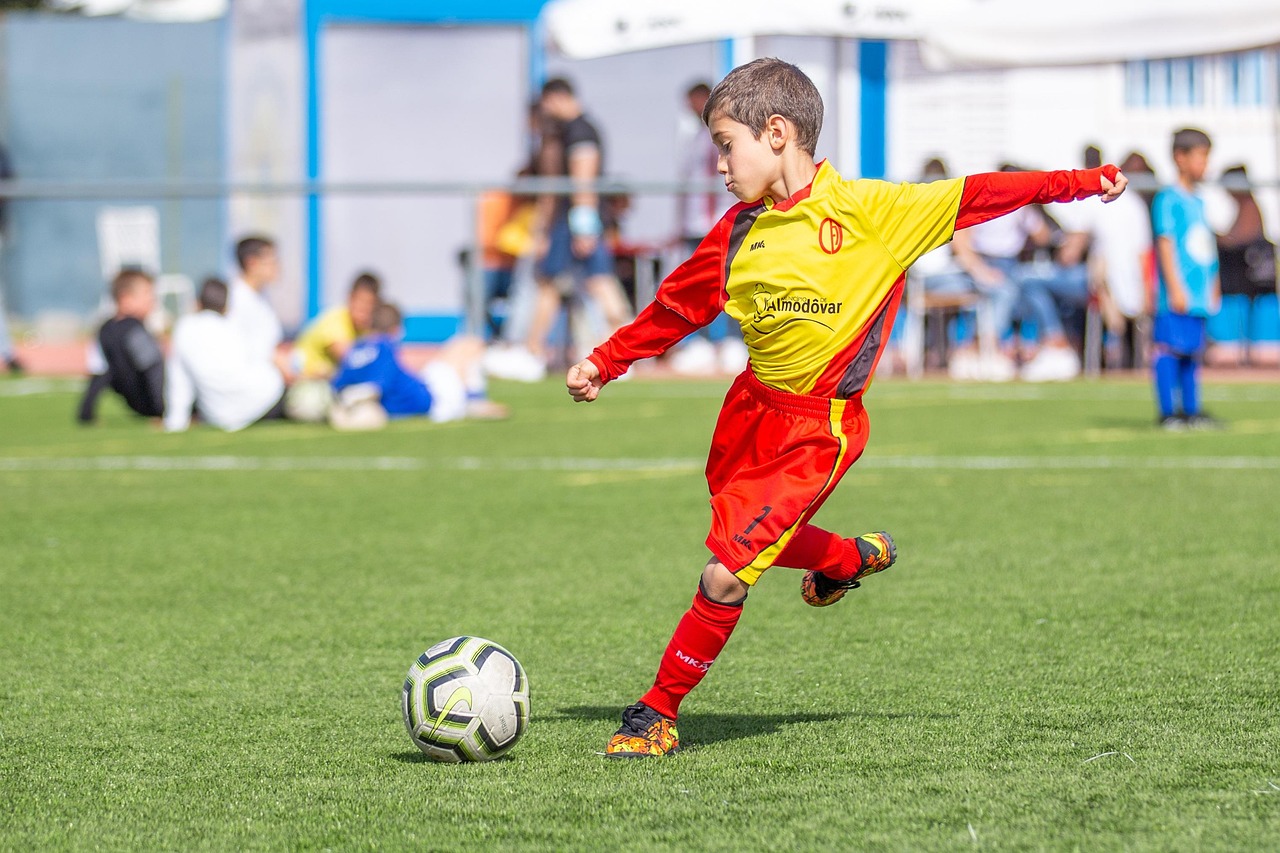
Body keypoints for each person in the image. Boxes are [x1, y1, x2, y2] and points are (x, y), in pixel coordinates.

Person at [564, 58, 1127, 758]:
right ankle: (842, 558)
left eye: (724, 145)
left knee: (727, 567)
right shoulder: (739, 231)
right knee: (749, 539)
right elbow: (677, 307)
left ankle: (657, 711)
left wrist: (1081, 183)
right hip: (748, 410)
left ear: (776, 133)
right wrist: (605, 360)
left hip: (817, 428)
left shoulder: (873, 214)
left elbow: (983, 194)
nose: (718, 164)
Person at [522, 77, 633, 373]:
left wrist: (583, 225)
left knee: (596, 282)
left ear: (556, 98)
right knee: (568, 282)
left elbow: (583, 179)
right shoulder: (573, 129)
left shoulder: (581, 130)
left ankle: (620, 350)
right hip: (574, 219)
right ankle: (533, 349)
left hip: (577, 220)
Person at [670, 81, 748, 376]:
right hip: (694, 223)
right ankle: (700, 343)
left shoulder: (725, 134)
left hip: (719, 220)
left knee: (730, 283)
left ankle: (731, 342)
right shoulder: (688, 135)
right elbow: (683, 182)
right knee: (699, 287)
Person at [1151, 128, 1222, 430]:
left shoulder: (1199, 200)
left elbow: (1204, 247)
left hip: (1199, 292)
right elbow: (1166, 244)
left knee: (1193, 351)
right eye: (1200, 157)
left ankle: (1192, 410)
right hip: (1177, 293)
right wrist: (1175, 286)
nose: (1205, 165)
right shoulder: (1168, 199)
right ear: (1180, 158)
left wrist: (1214, 283)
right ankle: (1169, 412)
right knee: (1171, 348)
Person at [331, 301, 508, 423]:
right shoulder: (385, 347)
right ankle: (474, 399)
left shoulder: (356, 348)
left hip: (425, 387)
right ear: (396, 329)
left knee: (458, 352)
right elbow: (378, 386)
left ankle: (473, 398)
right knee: (470, 344)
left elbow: (337, 384)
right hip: (436, 402)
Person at [164, 277, 287, 432]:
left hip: (218, 415)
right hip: (267, 397)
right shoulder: (232, 327)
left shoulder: (184, 328)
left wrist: (175, 422)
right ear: (226, 306)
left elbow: (178, 380)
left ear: (198, 302)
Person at [77, 269, 165, 423]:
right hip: (156, 404)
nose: (152, 300)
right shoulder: (134, 329)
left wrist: (86, 412)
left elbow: (99, 372)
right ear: (125, 298)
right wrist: (162, 410)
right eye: (147, 294)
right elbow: (154, 367)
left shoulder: (104, 330)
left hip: (137, 405)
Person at [1211, 164, 1278, 366]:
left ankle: (1247, 357)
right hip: (1249, 276)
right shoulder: (1244, 206)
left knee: (1248, 314)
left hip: (1251, 275)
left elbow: (1238, 238)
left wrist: (1215, 237)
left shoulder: (1249, 206)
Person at [291, 271, 380, 379]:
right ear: (350, 298)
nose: (364, 308)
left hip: (326, 381)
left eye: (369, 304)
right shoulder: (335, 320)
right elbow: (350, 358)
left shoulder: (365, 328)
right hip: (302, 379)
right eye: (361, 301)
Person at [227, 235, 286, 369]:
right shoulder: (234, 300)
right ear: (251, 263)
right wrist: (275, 359)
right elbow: (237, 350)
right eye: (272, 261)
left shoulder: (262, 296)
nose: (278, 267)